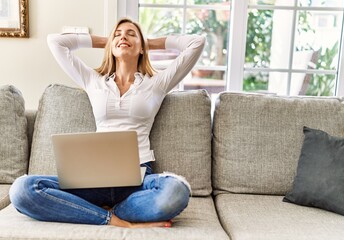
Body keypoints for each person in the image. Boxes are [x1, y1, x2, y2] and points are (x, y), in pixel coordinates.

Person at [9, 18, 205, 228]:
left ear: (142, 48)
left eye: (131, 33)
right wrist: (109, 40)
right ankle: (112, 219)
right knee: (22, 189)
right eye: (118, 33)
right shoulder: (94, 81)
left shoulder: (156, 84)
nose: (123, 36)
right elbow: (56, 42)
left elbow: (196, 42)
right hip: (92, 179)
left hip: (137, 179)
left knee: (176, 191)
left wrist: (146, 42)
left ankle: (110, 210)